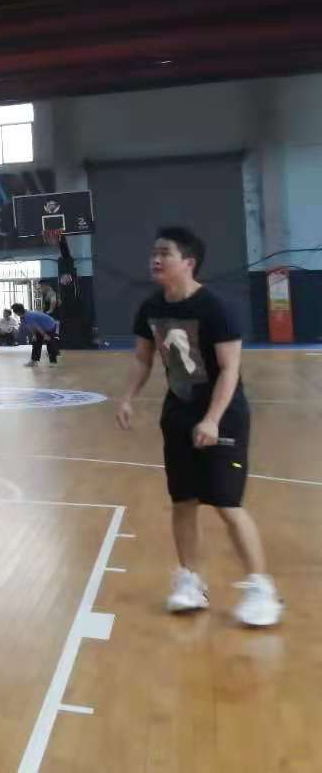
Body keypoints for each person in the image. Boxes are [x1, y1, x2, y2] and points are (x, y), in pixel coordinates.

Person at [116, 227, 282, 627]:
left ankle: (262, 589)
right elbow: (143, 358)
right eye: (154, 253)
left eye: (165, 253)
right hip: (178, 413)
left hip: (223, 414)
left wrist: (212, 419)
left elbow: (229, 369)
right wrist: (127, 397)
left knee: (227, 503)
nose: (155, 259)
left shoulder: (215, 308)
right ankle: (190, 581)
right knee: (183, 501)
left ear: (188, 262)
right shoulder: (150, 306)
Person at [14, 303, 61, 367]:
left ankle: (53, 362)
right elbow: (31, 326)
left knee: (50, 343)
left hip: (49, 326)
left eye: (15, 312)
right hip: (42, 326)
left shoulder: (28, 316)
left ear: (17, 312)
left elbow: (37, 326)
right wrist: (34, 335)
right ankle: (34, 361)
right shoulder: (24, 315)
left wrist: (45, 335)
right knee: (36, 342)